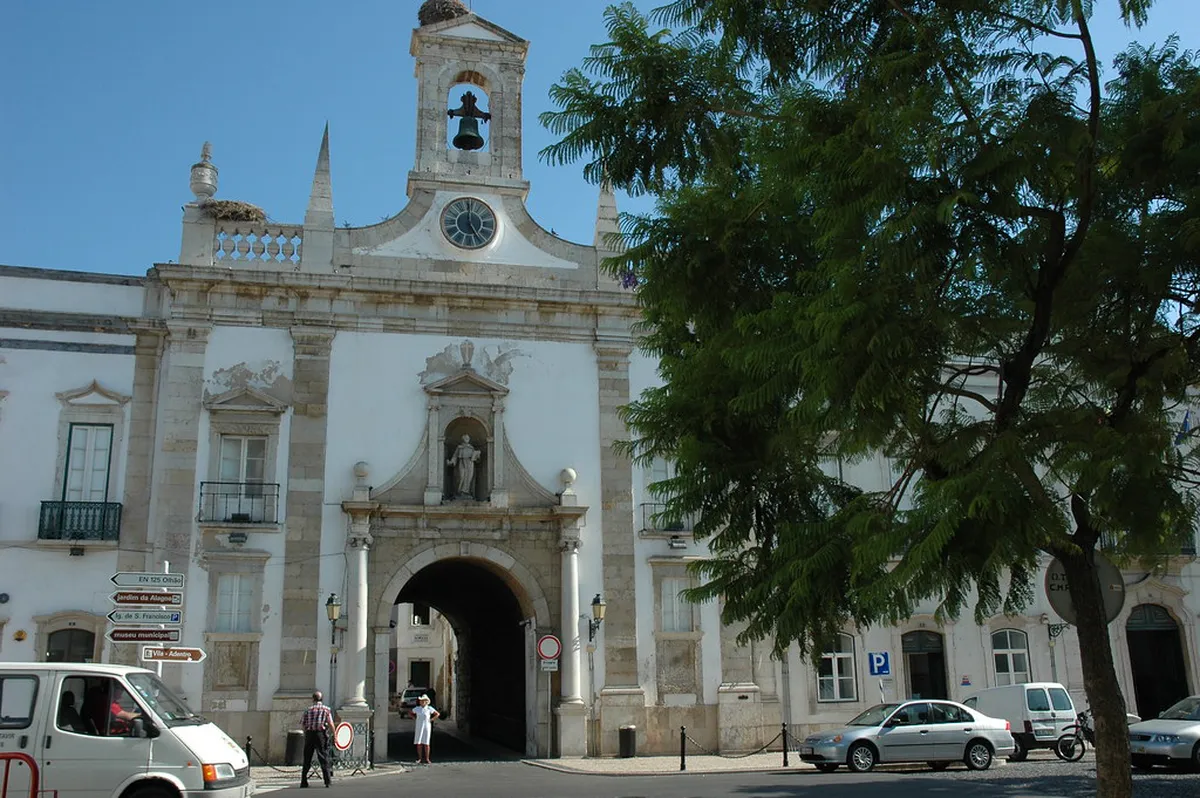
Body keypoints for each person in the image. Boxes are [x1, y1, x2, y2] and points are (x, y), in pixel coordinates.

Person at [300, 691, 334, 788]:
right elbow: (330, 723)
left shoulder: (308, 710)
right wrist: (334, 735)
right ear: (321, 699)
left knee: (307, 757)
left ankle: (303, 781)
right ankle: (327, 781)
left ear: (313, 699)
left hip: (310, 734)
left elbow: (303, 724)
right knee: (323, 757)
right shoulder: (326, 709)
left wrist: (305, 733)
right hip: (320, 734)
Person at [412, 694, 440, 764]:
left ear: (426, 701)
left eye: (423, 701)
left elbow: (437, 714)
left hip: (427, 727)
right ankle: (420, 758)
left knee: (426, 743)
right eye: (420, 701)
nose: (421, 702)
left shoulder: (429, 708)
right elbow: (411, 712)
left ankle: (427, 758)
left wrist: (431, 719)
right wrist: (414, 718)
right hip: (419, 726)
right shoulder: (417, 708)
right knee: (419, 743)